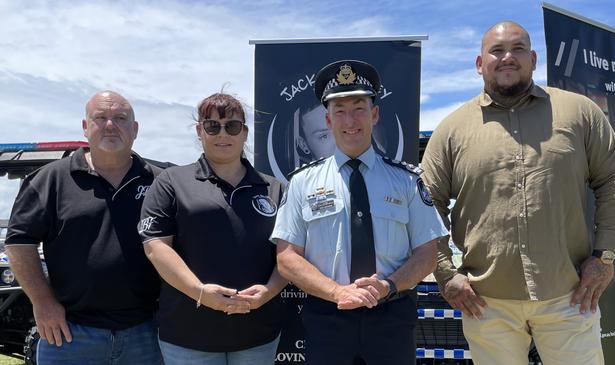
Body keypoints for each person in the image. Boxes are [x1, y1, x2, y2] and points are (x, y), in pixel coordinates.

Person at [421, 21, 615, 365]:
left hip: (570, 296)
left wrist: (604, 256)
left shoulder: (580, 113)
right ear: (479, 64)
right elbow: (425, 206)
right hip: (486, 304)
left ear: (533, 59)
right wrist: (446, 273)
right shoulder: (451, 130)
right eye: (497, 50)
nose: (508, 57)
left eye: (518, 49)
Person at [272, 60, 448, 365]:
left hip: (391, 318)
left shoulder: (407, 181)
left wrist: (387, 286)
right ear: (328, 120)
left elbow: (427, 253)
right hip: (328, 318)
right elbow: (287, 258)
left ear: (374, 114)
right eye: (339, 110)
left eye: (359, 108)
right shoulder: (302, 183)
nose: (349, 120)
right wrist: (338, 292)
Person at [5, 91, 163, 364]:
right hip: (70, 334)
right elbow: (19, 243)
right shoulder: (50, 180)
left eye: (121, 118)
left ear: (135, 129)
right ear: (85, 126)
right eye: (100, 118)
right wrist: (42, 303)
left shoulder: (162, 180)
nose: (111, 125)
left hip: (147, 333)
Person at [138, 92, 286, 365]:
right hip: (188, 336)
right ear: (199, 131)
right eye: (212, 126)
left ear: (244, 133)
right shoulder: (171, 181)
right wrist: (200, 292)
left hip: (258, 334)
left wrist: (269, 291)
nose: (222, 134)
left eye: (232, 126)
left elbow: (289, 255)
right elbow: (156, 247)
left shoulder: (274, 188)